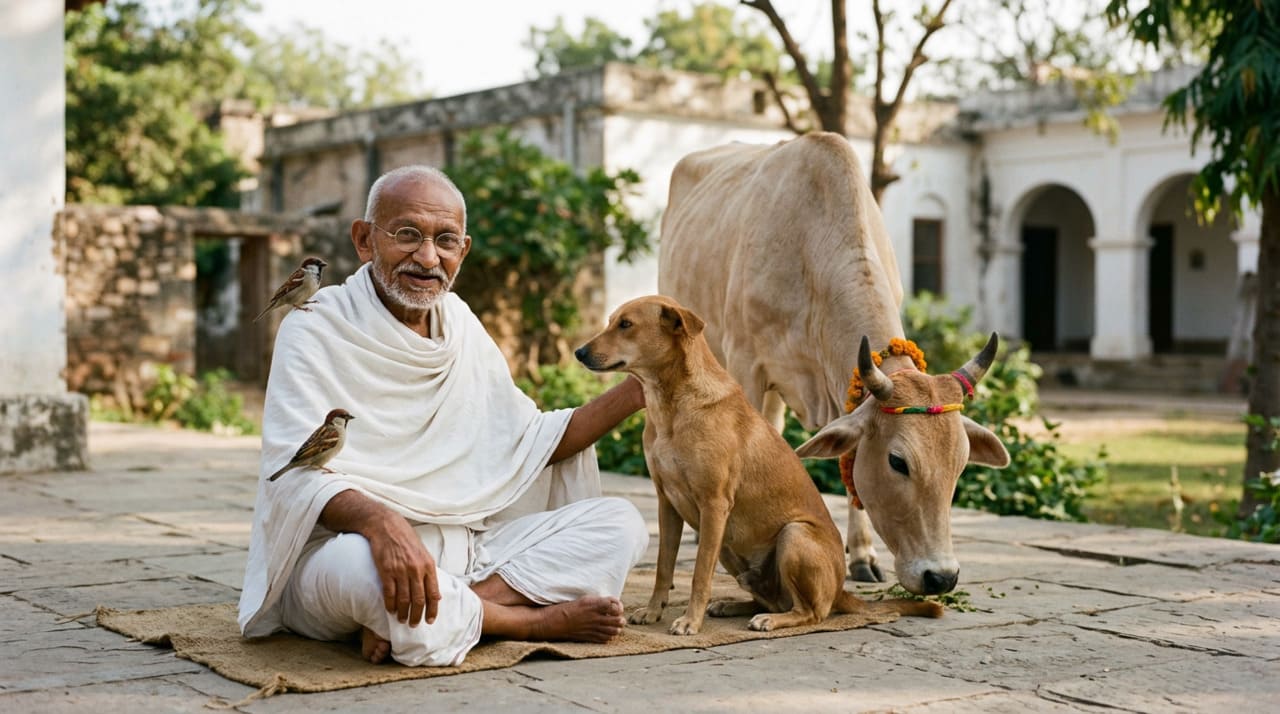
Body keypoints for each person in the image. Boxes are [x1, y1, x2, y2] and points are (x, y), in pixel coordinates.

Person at [238, 165, 649, 667]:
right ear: (365, 240)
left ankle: (448, 610)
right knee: (358, 570)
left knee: (621, 524)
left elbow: (529, 440)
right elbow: (293, 472)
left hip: (468, 549)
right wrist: (381, 523)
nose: (428, 257)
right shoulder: (315, 328)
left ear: (463, 251)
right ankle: (532, 620)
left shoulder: (461, 325)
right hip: (352, 550)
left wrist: (641, 388)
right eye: (408, 235)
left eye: (445, 240)